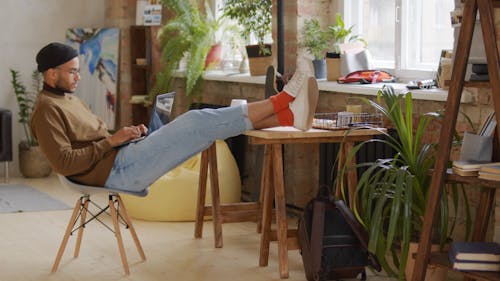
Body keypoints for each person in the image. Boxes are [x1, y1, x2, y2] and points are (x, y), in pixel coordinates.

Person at [30, 42, 319, 192]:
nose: (78, 76)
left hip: (121, 159)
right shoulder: (46, 110)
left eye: (79, 69)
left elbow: (94, 139)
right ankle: (284, 100)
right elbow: (62, 162)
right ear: (50, 73)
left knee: (201, 130)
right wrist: (112, 142)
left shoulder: (67, 98)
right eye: (72, 71)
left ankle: (288, 115)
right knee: (195, 121)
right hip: (116, 173)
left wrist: (125, 135)